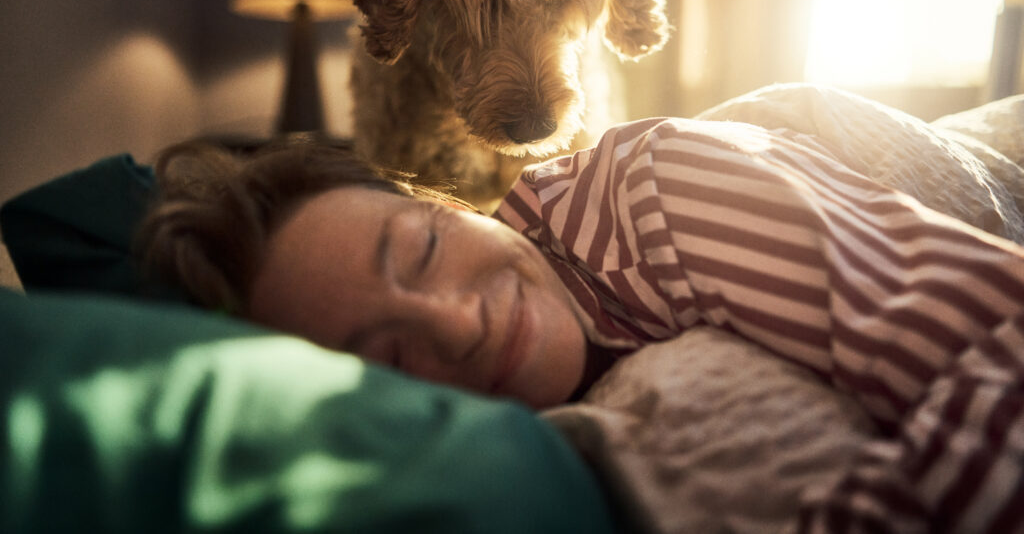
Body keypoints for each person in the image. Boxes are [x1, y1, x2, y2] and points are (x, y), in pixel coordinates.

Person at [137, 117, 1024, 532]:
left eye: (422, 250)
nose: (458, 326)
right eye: (395, 360)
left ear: (448, 199)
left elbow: (1005, 337)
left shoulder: (660, 194)